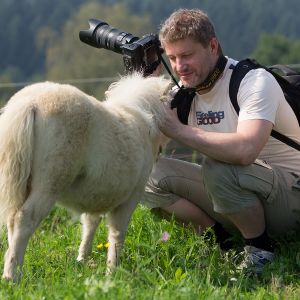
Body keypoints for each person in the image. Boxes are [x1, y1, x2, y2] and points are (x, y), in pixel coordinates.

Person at [143, 8, 300, 274]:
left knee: (219, 165)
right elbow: (152, 147)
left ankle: (260, 252)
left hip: (290, 195)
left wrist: (179, 131)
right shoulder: (185, 92)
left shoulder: (252, 81)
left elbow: (245, 151)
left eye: (187, 55)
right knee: (147, 174)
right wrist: (148, 92)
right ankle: (224, 244)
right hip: (241, 193)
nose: (179, 67)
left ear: (212, 46)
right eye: (172, 58)